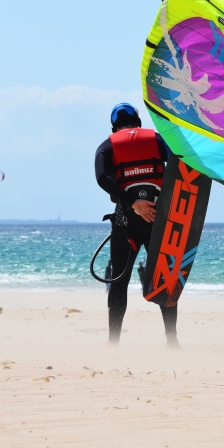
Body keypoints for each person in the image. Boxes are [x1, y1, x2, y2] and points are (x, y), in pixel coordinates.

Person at [94, 103, 179, 347]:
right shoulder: (157, 139)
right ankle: (171, 338)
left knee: (119, 284)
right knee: (167, 279)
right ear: (138, 123)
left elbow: (101, 178)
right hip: (158, 220)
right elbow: (179, 162)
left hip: (125, 223)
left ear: (114, 126)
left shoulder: (107, 145)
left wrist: (133, 203)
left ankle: (113, 343)